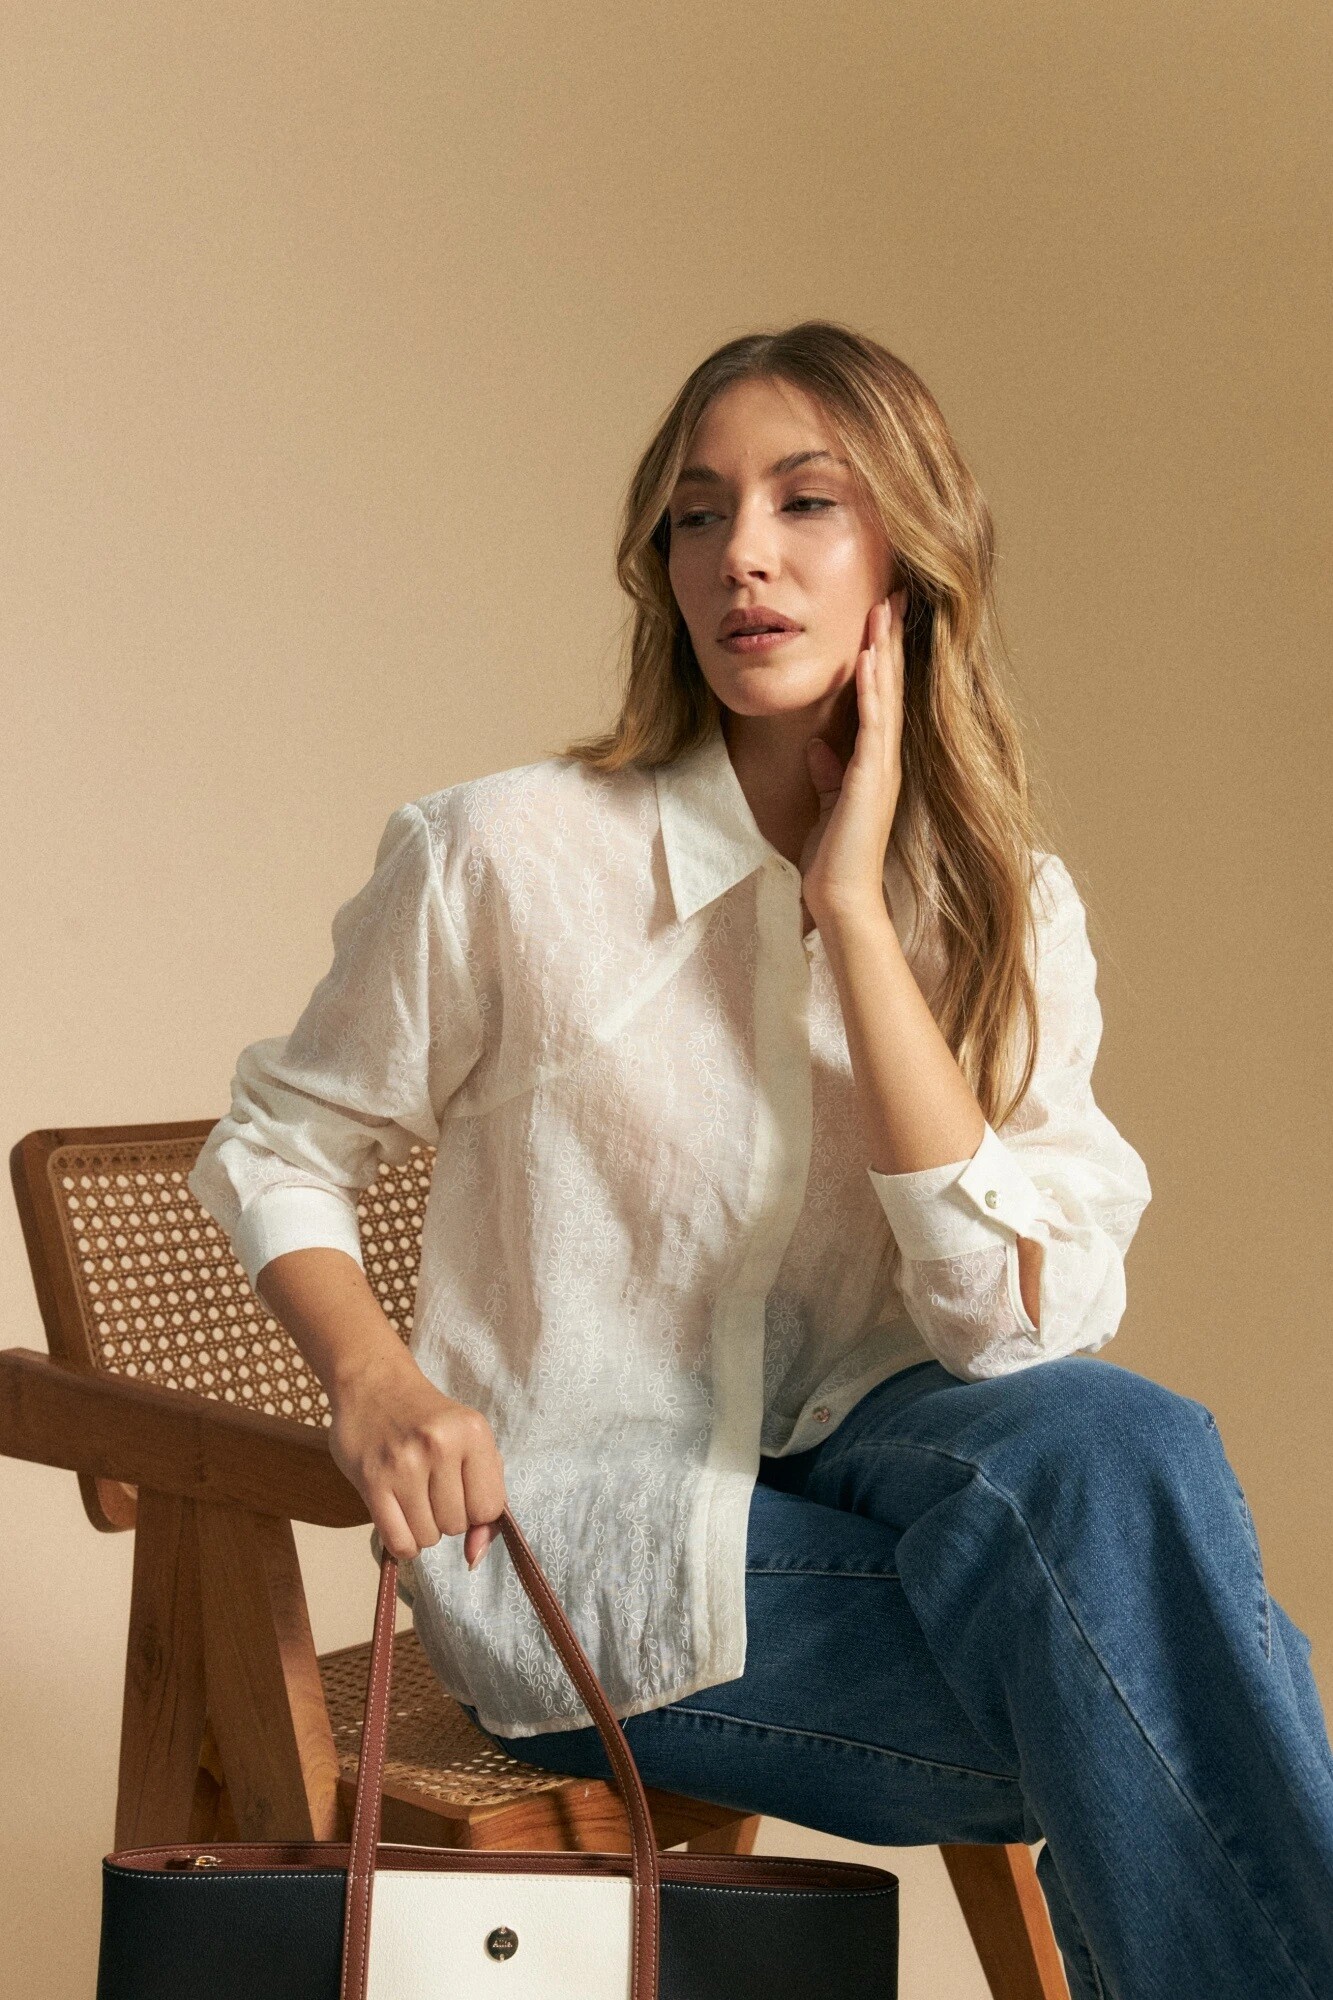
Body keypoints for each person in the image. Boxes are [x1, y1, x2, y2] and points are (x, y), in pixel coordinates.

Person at [188, 321, 1333, 1998]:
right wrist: (372, 1379)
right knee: (1175, 1674)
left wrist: (852, 916)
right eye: (698, 514)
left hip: (888, 1455)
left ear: (909, 562)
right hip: (590, 1541)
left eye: (806, 503)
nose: (743, 555)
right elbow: (280, 1140)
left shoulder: (1000, 901)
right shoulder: (503, 856)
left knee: (1121, 1447)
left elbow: (1010, 1333)